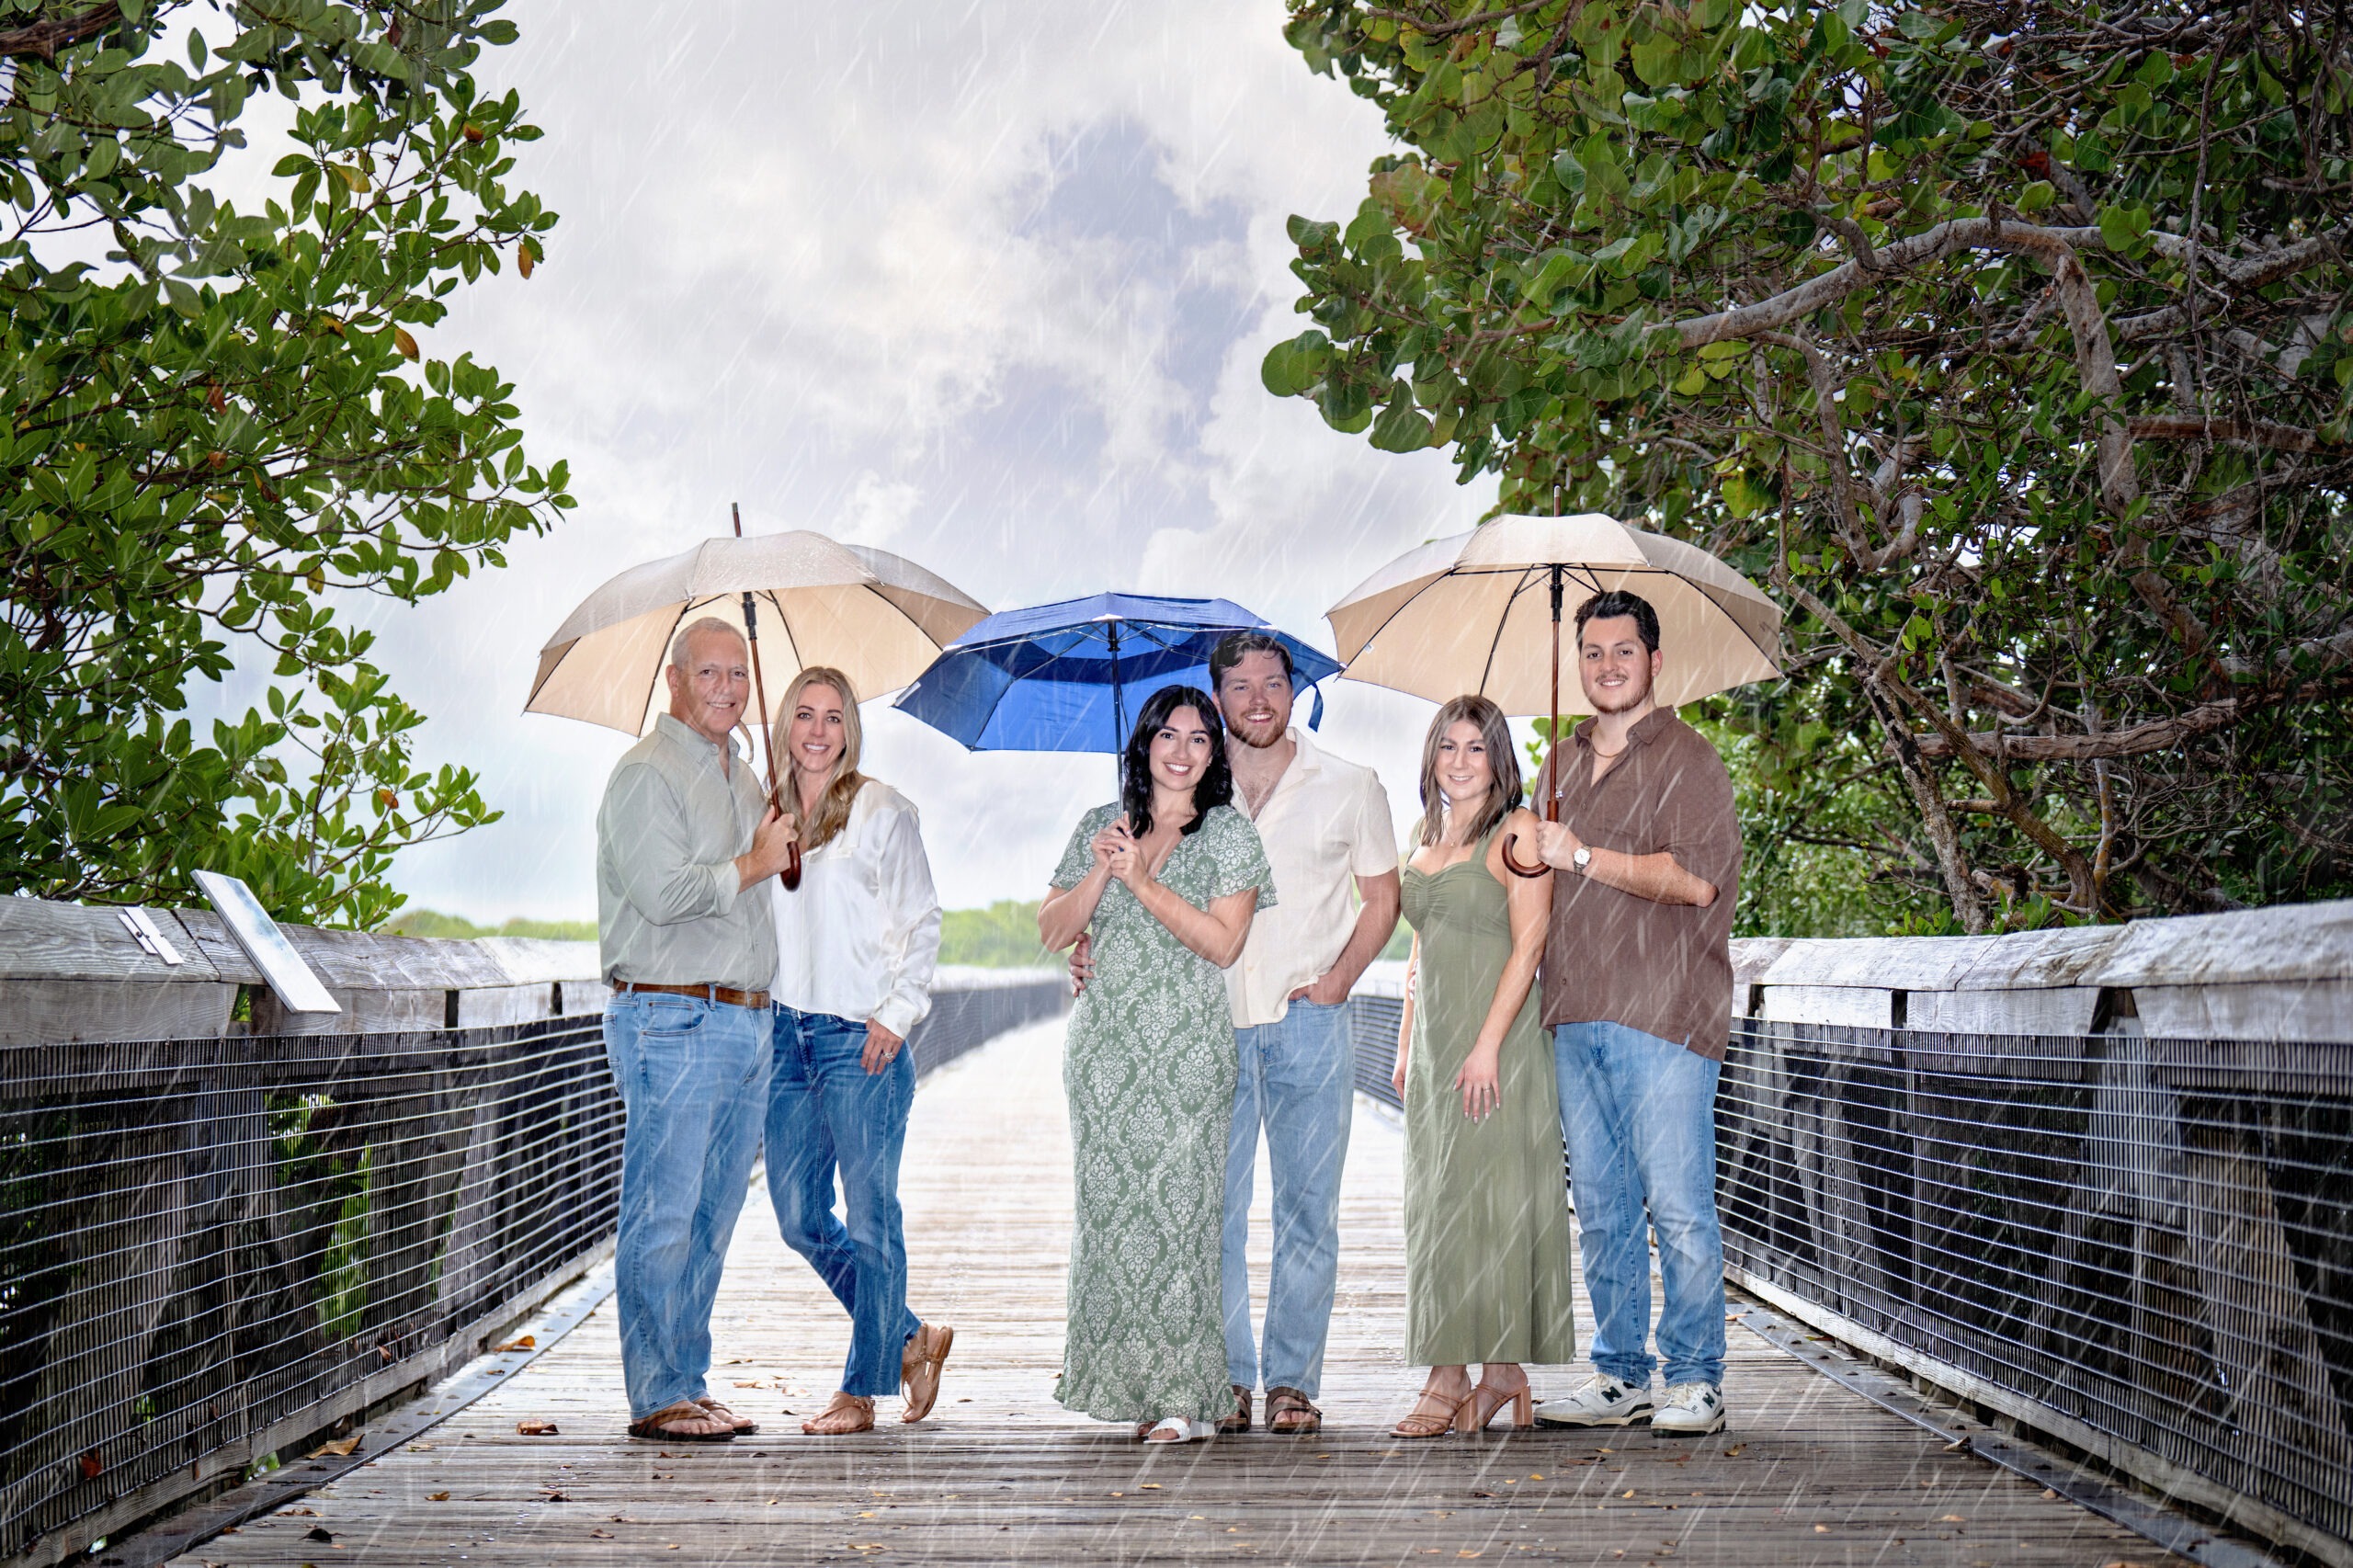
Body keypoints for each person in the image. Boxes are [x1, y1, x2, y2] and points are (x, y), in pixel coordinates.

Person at [1077, 631, 1398, 1437]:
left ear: (1296, 692)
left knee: (1307, 1210)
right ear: (1216, 697)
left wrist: (1339, 982)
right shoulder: (1186, 795)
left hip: (1309, 1024)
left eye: (1274, 684)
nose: (1259, 700)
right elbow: (1129, 902)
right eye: (1241, 687)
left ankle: (1291, 1381)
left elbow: (1383, 901)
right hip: (1202, 1030)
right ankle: (1223, 1379)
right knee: (1209, 1213)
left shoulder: (1352, 785)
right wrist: (1092, 948)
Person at [1529, 589, 1743, 1438]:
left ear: (1655, 661)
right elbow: (1537, 885)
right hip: (1575, 1013)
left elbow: (1694, 881)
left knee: (1679, 1206)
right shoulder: (1559, 764)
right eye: (1592, 652)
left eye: (1624, 651)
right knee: (1607, 1208)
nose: (1607, 667)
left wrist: (1579, 853)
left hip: (1665, 1014)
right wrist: (1526, 850)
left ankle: (1697, 1378)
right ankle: (1623, 1376)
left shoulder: (1691, 760)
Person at [1039, 686, 1275, 1443]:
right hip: (1105, 1055)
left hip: (1187, 1055)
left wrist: (1142, 878)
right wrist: (1103, 874)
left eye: (1199, 738)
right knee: (1112, 1222)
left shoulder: (1229, 835)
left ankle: (1186, 1394)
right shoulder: (1096, 829)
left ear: (1214, 754)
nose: (1181, 751)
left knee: (1181, 1216)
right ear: (1144, 745)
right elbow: (1052, 930)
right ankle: (1134, 1387)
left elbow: (1223, 943)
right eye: (1166, 735)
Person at [596, 617, 798, 1443]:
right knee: (663, 1210)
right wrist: (752, 861)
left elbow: (773, 879)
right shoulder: (645, 774)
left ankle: (686, 1378)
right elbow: (662, 892)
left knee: (711, 1216)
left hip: (746, 1019)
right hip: (671, 1015)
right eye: (708, 673)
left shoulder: (745, 776)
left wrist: (779, 819)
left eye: (738, 675)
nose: (726, 688)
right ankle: (654, 1394)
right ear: (674, 681)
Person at [764, 665, 954, 1436]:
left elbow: (924, 920)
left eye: (833, 717)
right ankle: (909, 1335)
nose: (817, 731)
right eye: (804, 715)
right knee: (799, 1214)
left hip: (860, 1041)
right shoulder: (769, 817)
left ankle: (859, 1390)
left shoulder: (880, 810)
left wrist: (897, 1014)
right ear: (784, 726)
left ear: (850, 731)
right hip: (787, 1038)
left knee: (872, 1216)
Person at [1390, 696, 1576, 1438]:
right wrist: (1408, 1042)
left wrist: (1486, 1045)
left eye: (1475, 748)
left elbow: (1530, 947)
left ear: (1500, 759)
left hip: (1494, 1043)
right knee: (1439, 1204)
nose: (1460, 762)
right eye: (1447, 747)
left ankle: (1448, 1376)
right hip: (1436, 1045)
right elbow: (1420, 944)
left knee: (1488, 1203)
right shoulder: (1424, 835)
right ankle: (1502, 1375)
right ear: (1431, 757)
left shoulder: (1520, 834)